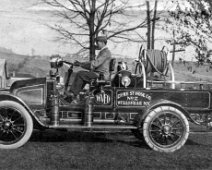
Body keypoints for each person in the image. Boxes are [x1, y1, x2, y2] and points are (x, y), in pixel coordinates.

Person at [66, 36, 112, 103]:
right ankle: (73, 96)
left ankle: (72, 94)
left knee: (80, 74)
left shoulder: (105, 52)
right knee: (83, 75)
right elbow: (93, 64)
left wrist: (80, 64)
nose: (97, 44)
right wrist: (80, 64)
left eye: (97, 42)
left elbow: (95, 64)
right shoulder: (103, 52)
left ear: (102, 43)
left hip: (101, 76)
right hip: (99, 74)